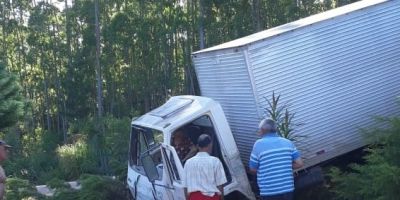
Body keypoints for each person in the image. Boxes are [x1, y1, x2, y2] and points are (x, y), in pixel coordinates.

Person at [249, 119, 303, 200]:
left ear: (263, 130)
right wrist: (284, 165)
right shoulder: (288, 142)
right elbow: (299, 164)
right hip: (287, 189)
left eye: (259, 129)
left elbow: (253, 169)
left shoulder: (258, 144)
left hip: (269, 191)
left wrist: (267, 169)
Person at [183, 134, 227, 200]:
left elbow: (185, 187)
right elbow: (220, 185)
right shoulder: (215, 161)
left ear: (198, 146)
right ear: (210, 145)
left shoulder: (188, 163)